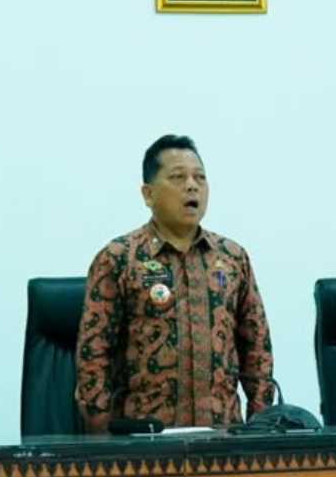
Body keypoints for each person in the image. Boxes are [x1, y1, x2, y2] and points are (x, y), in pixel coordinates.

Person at [75, 134, 274, 433]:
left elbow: (257, 348)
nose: (192, 186)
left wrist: (261, 427)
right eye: (178, 177)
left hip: (223, 439)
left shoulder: (232, 258)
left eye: (200, 178)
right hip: (144, 440)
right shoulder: (119, 258)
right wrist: (105, 435)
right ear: (148, 194)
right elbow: (93, 354)